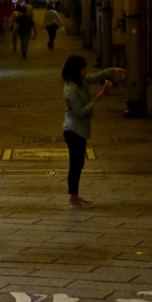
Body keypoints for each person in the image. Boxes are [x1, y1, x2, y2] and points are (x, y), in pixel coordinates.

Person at [61, 55, 125, 207]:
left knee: (79, 163)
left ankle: (75, 196)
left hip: (80, 130)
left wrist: (111, 70)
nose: (86, 71)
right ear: (77, 70)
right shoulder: (71, 90)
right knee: (75, 164)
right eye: (84, 68)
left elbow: (96, 77)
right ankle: (73, 198)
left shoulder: (80, 82)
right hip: (73, 130)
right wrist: (98, 97)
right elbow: (80, 112)